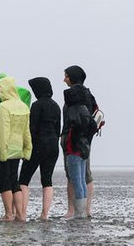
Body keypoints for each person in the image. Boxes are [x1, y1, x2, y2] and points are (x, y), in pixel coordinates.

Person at [19, 77, 61, 221]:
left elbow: (32, 128)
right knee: (47, 180)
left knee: (24, 179)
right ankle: (44, 214)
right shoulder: (56, 106)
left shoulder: (37, 105)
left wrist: (26, 148)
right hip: (53, 145)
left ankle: (22, 214)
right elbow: (58, 129)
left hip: (38, 144)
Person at [0, 76, 31, 221]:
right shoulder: (23, 106)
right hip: (17, 149)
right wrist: (28, 149)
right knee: (15, 181)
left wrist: (1, 151)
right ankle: (20, 214)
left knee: (4, 182)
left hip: (4, 150)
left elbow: (2, 132)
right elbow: (26, 131)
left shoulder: (3, 107)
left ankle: (8, 214)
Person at [61, 65, 99, 219]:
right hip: (85, 141)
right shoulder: (89, 95)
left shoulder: (73, 97)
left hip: (73, 142)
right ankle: (84, 211)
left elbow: (73, 121)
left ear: (73, 77)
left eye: (66, 76)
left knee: (75, 177)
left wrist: (67, 137)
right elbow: (96, 118)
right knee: (84, 176)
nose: (64, 79)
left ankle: (76, 212)